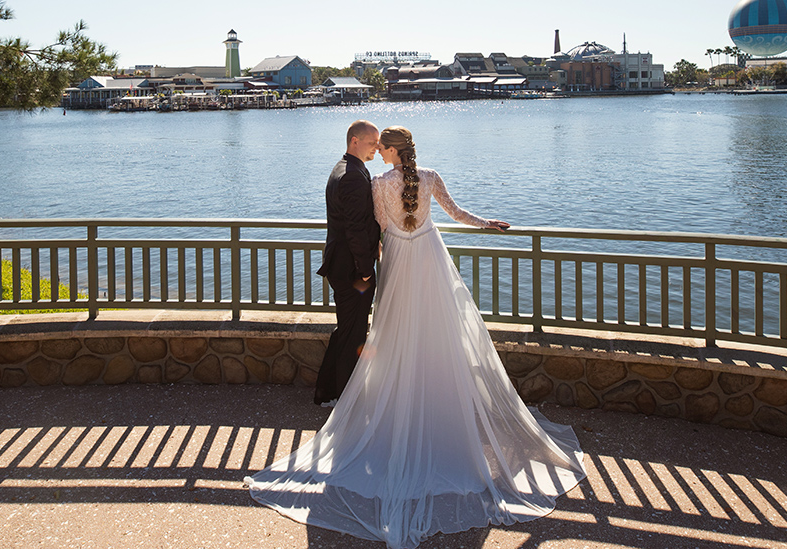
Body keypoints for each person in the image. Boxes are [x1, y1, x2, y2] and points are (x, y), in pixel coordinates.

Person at [249, 126, 586, 549]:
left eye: (380, 147)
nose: (377, 151)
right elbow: (456, 212)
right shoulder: (430, 176)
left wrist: (370, 261)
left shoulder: (378, 184)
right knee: (441, 329)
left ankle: (398, 398)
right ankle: (438, 396)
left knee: (393, 332)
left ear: (390, 151)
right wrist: (488, 224)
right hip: (429, 257)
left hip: (400, 260)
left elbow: (378, 228)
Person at [312, 119, 381, 406]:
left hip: (342, 265)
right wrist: (365, 270)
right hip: (352, 269)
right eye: (372, 142)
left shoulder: (343, 168)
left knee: (347, 329)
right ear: (355, 140)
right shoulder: (352, 176)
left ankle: (327, 392)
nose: (377, 148)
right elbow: (354, 229)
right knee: (353, 334)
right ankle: (347, 399)